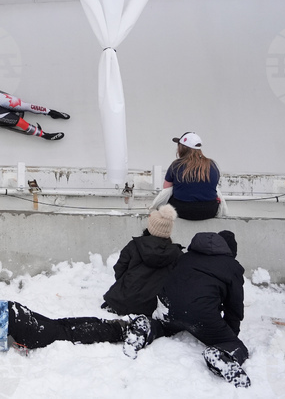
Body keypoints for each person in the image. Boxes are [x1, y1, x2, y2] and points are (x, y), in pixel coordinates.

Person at [129, 231, 249, 388]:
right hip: (200, 315)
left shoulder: (186, 257)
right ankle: (222, 354)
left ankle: (149, 326)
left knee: (165, 326)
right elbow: (234, 307)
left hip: (169, 307)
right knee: (236, 345)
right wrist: (227, 336)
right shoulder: (232, 267)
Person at [0, 290, 149, 354]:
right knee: (60, 324)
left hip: (16, 328)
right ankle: (115, 324)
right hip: (10, 309)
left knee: (67, 334)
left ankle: (119, 330)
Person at [102, 204, 183, 316]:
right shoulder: (176, 254)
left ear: (150, 227)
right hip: (154, 307)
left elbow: (119, 269)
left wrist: (126, 285)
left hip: (124, 301)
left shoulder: (134, 246)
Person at [162, 132, 221, 220]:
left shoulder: (176, 165)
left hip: (182, 211)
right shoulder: (212, 164)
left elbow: (166, 188)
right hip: (209, 211)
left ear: (182, 148)